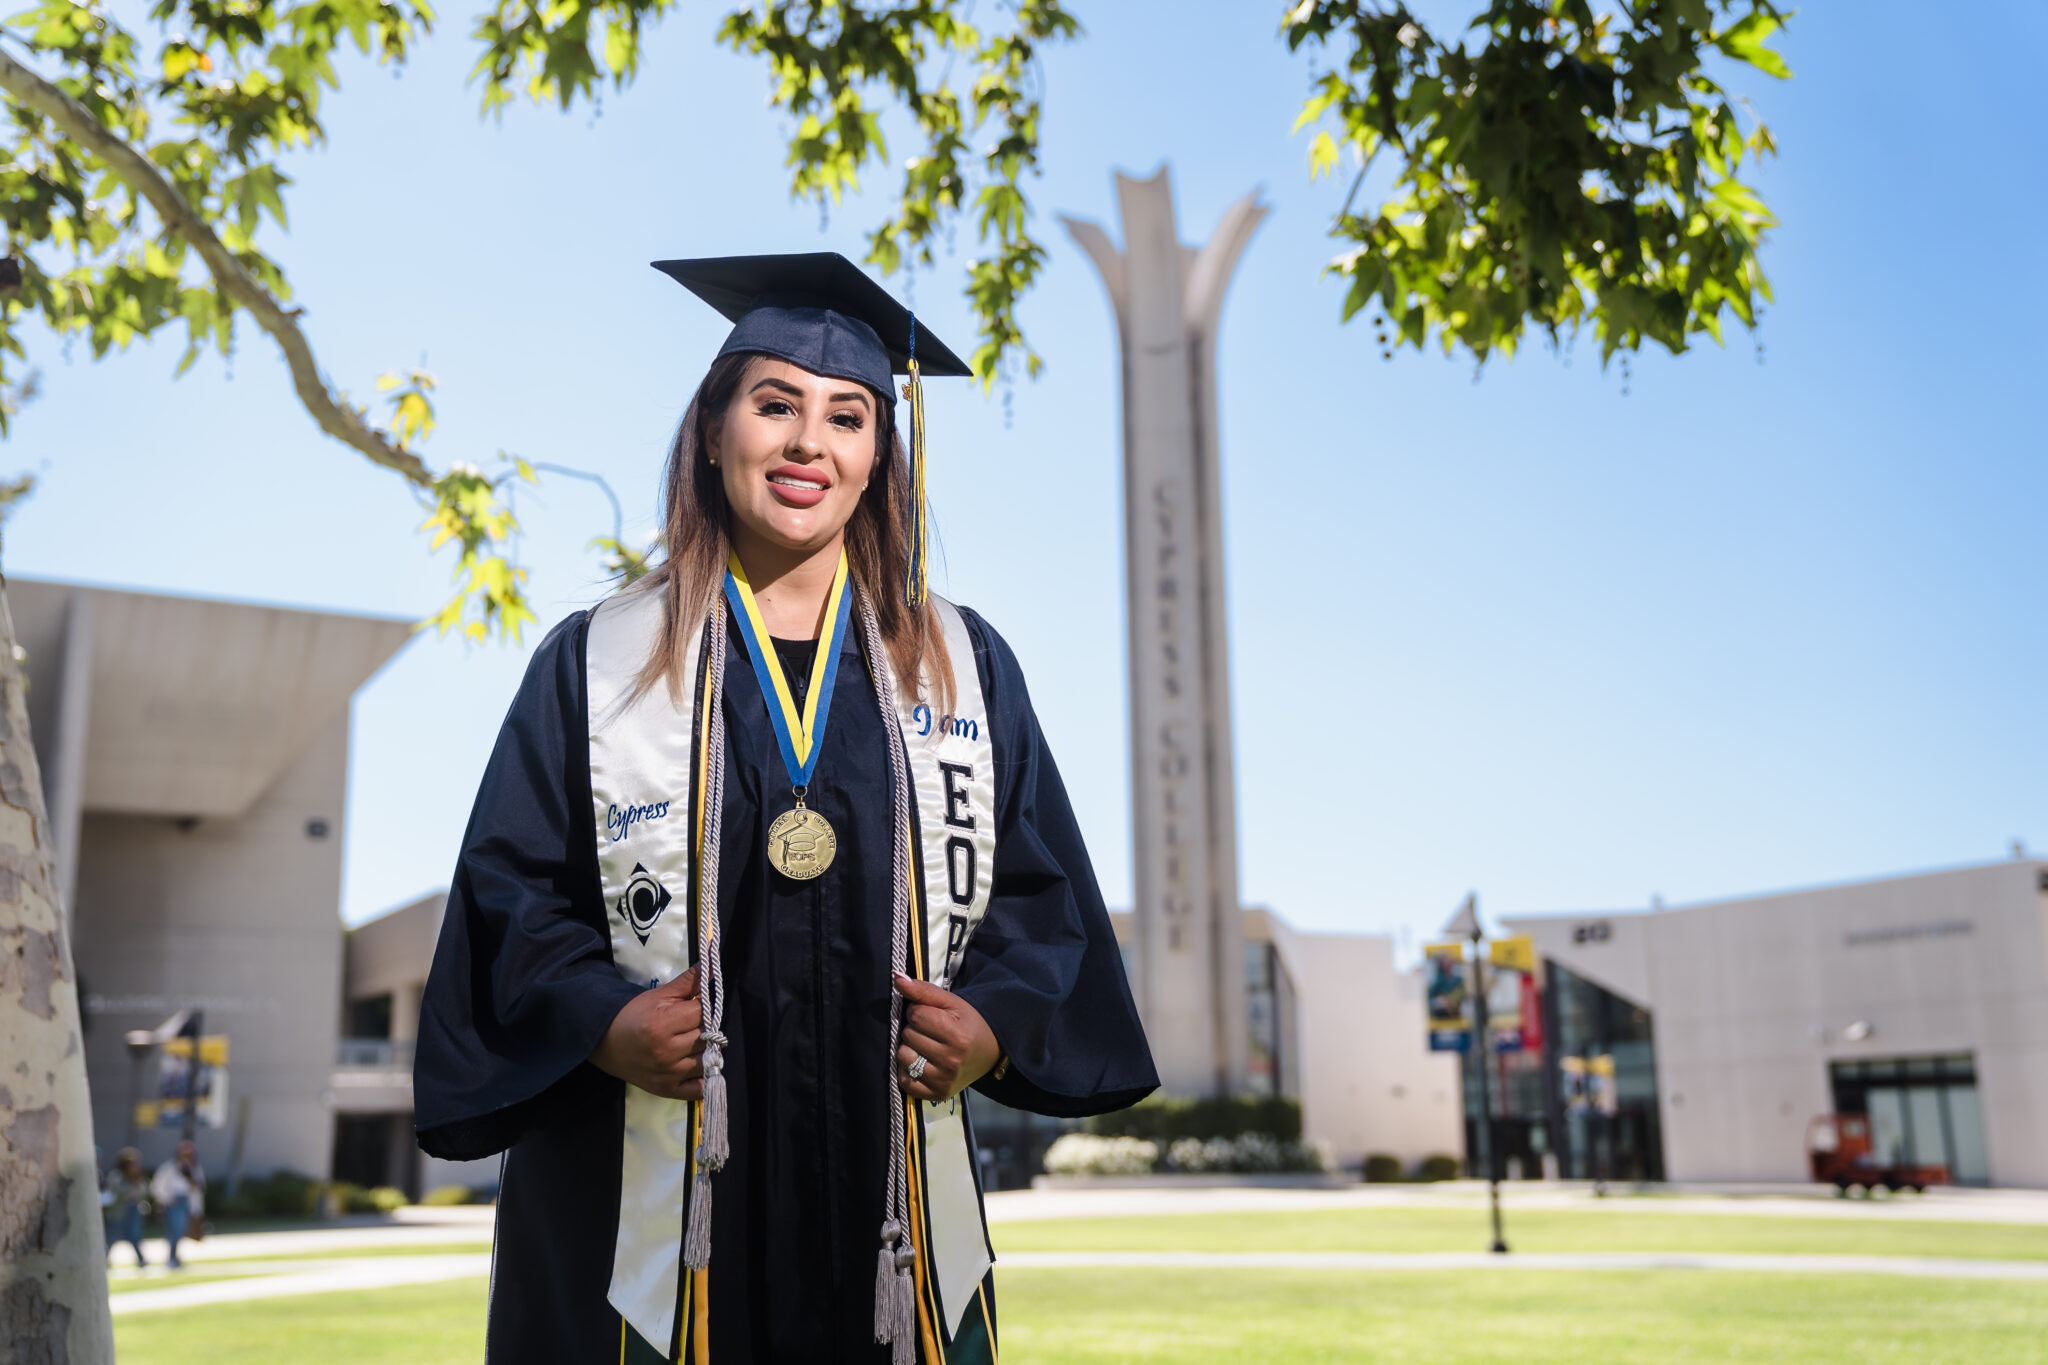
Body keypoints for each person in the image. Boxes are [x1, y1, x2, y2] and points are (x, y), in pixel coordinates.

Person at [414, 252, 1157, 1365]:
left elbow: (1040, 903)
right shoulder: (596, 665)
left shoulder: (959, 668)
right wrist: (600, 1023)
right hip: (644, 1209)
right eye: (777, 406)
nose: (811, 443)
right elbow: (509, 899)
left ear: (876, 461)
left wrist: (991, 1022)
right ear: (714, 432)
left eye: (848, 418)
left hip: (885, 1187)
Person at [150, 1139, 205, 1269]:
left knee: (181, 1231)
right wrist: (167, 1199)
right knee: (174, 1230)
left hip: (187, 1202)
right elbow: (157, 1186)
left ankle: (175, 1256)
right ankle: (172, 1258)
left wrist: (197, 1209)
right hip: (174, 1203)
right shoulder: (169, 1168)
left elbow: (199, 1189)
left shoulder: (195, 1169)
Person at [103, 1147, 151, 1267]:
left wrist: (136, 1180)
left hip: (133, 1210)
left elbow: (143, 1191)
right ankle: (103, 1259)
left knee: (135, 1235)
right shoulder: (116, 1175)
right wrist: (130, 1186)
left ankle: (141, 1259)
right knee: (111, 1237)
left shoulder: (138, 1177)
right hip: (117, 1211)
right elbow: (118, 1191)